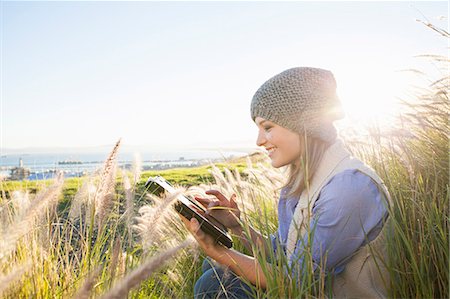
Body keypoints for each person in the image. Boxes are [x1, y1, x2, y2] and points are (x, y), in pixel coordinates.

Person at [181, 67, 391, 298]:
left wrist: (218, 251)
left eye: (268, 127)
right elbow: (281, 252)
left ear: (304, 124)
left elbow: (295, 281)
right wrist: (236, 226)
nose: (260, 141)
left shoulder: (350, 188)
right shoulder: (303, 183)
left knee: (214, 281)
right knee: (213, 270)